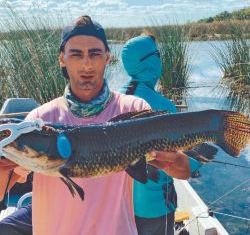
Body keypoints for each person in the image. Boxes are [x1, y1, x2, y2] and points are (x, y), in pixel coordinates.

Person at [0, 16, 191, 235]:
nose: (87, 63)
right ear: (62, 59)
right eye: (76, 54)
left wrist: (171, 160)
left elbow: (183, 171)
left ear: (107, 57)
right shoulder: (39, 118)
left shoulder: (133, 109)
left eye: (95, 53)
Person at [120, 34, 202, 235]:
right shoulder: (164, 107)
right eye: (157, 54)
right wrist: (199, 161)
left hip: (119, 207)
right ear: (151, 61)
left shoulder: (115, 101)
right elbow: (181, 162)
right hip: (155, 209)